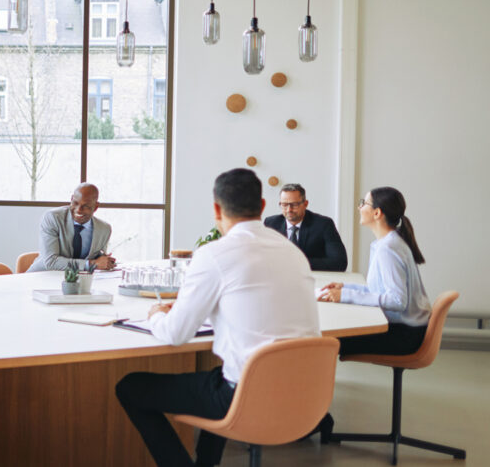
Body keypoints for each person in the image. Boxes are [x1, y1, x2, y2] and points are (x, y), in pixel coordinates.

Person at [116, 168, 320, 467]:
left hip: (245, 396)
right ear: (263, 207)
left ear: (216, 209)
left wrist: (157, 315)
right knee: (223, 371)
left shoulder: (214, 254)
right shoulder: (293, 253)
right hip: (305, 394)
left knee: (131, 387)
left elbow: (175, 335)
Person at [318, 187, 431, 356]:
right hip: (404, 329)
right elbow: (379, 290)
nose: (359, 207)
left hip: (404, 335)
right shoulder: (386, 243)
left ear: (377, 213)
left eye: (363, 203)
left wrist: (346, 296)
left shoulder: (388, 248)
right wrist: (345, 289)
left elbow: (397, 300)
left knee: (322, 341)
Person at [27, 182, 115, 272]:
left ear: (95, 207)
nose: (78, 210)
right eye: (75, 203)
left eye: (86, 206)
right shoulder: (53, 218)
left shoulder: (104, 229)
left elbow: (98, 258)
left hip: (80, 282)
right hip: (42, 277)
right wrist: (92, 264)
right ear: (71, 199)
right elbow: (51, 262)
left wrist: (105, 261)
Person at [264, 183, 348, 271]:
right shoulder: (271, 223)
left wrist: (297, 263)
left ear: (305, 204)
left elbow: (340, 262)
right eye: (284, 205)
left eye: (294, 204)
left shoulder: (324, 224)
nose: (289, 210)